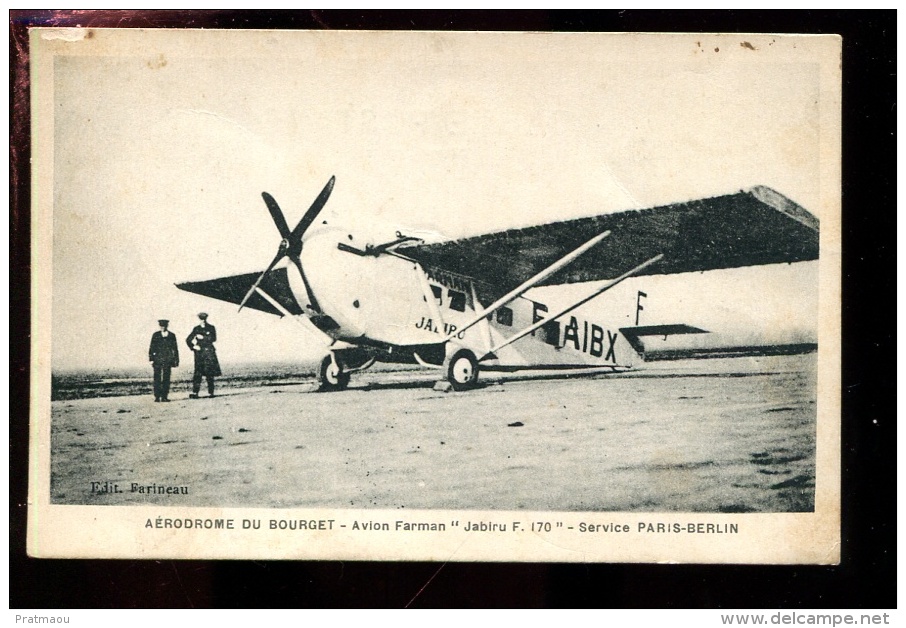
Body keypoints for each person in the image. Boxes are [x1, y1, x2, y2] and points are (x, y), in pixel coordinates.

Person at [186, 312, 221, 398]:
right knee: (198, 372)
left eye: (204, 319)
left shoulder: (211, 328)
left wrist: (203, 338)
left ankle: (211, 392)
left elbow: (214, 338)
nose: (203, 321)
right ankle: (195, 392)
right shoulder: (196, 329)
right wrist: (194, 347)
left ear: (206, 319)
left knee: (210, 372)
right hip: (199, 353)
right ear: (199, 319)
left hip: (209, 352)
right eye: (201, 319)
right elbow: (188, 339)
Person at [148, 319, 179, 402]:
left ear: (167, 326)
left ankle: (165, 396)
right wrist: (151, 359)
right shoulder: (156, 335)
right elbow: (151, 347)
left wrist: (176, 360)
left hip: (168, 359)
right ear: (159, 326)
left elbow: (175, 348)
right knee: (157, 378)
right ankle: (157, 396)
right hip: (157, 359)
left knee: (166, 377)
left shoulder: (172, 335)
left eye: (164, 326)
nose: (163, 328)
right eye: (161, 326)